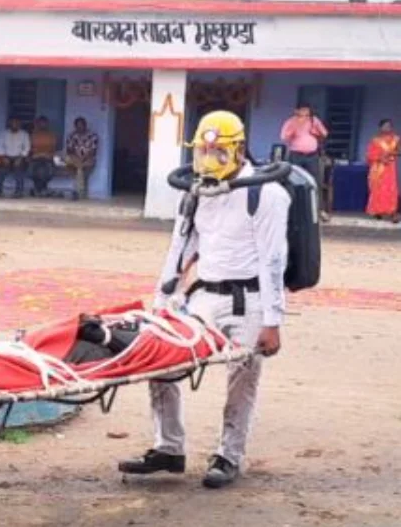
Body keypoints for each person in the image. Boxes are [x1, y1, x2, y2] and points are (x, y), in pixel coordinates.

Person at [118, 110, 289, 490]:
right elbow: (181, 247)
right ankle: (169, 447)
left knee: (241, 381)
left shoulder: (266, 194)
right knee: (161, 360)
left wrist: (273, 321)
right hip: (204, 297)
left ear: (240, 149)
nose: (209, 159)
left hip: (249, 300)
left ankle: (229, 454)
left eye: (219, 151)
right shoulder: (197, 191)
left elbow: (273, 259)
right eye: (203, 150)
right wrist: (164, 297)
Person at [280, 104, 329, 220]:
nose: (304, 114)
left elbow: (324, 134)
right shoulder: (291, 122)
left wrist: (315, 130)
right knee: (294, 181)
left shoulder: (314, 120)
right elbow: (283, 137)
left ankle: (319, 210)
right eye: (302, 112)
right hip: (296, 155)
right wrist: (294, 129)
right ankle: (294, 210)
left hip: (312, 156)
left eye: (307, 112)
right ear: (296, 111)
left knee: (315, 182)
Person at [365, 119, 401, 222]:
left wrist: (393, 154)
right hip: (378, 168)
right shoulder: (375, 140)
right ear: (380, 127)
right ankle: (377, 211)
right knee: (378, 188)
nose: (387, 128)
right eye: (385, 126)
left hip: (390, 168)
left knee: (391, 189)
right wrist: (380, 158)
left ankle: (392, 211)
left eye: (389, 126)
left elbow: (399, 151)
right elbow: (369, 155)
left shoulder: (396, 139)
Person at [64, 117, 100, 200]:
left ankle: (77, 192)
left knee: (80, 169)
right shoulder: (71, 136)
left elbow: (93, 151)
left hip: (88, 159)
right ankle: (80, 192)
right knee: (76, 166)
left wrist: (83, 158)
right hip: (75, 159)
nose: (80, 128)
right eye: (78, 126)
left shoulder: (92, 136)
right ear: (75, 126)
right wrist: (77, 158)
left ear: (85, 125)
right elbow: (69, 150)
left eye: (81, 125)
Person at [0, 117, 30, 198]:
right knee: (1, 172)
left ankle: (18, 192)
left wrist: (20, 157)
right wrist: (3, 157)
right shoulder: (3, 134)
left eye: (16, 124)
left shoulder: (24, 134)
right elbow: (0, 146)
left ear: (19, 125)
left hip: (19, 157)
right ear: (9, 124)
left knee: (19, 172)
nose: (14, 125)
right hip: (6, 157)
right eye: (12, 123)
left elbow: (27, 147)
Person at [29, 115, 58, 197]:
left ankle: (38, 190)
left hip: (48, 158)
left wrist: (47, 155)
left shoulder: (51, 135)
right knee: (32, 172)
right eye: (40, 123)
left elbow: (53, 148)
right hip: (35, 158)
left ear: (47, 124)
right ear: (37, 124)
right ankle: (41, 190)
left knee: (48, 172)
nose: (42, 125)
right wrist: (36, 154)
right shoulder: (33, 135)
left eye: (44, 123)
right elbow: (30, 148)